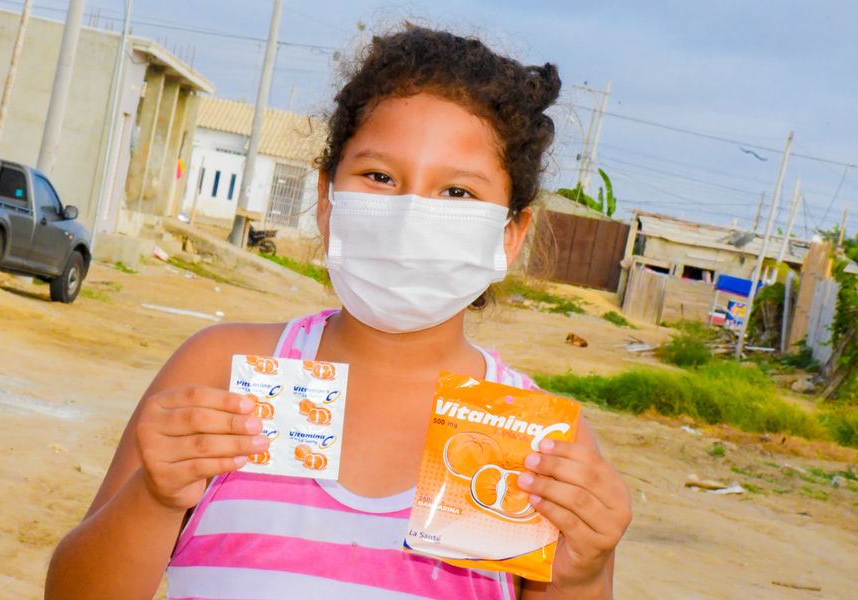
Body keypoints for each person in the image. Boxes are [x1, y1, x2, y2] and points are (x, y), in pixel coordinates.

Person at [46, 25, 631, 600]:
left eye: (457, 192)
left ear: (510, 234)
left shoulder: (530, 442)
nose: (410, 215)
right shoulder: (223, 373)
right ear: (327, 199)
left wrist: (580, 576)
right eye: (380, 177)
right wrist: (154, 496)